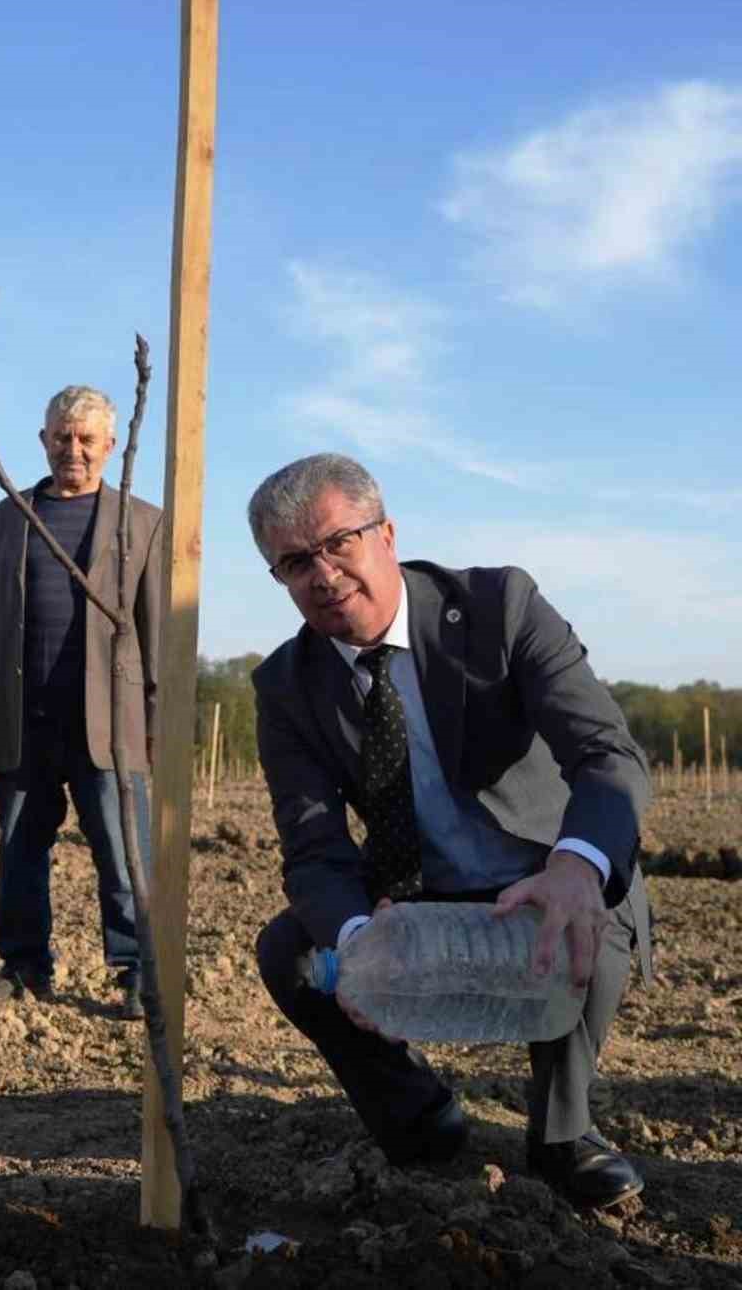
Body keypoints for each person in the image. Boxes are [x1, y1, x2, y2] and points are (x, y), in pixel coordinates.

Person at [246, 452, 651, 1208]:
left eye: (339, 543)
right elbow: (313, 846)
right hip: (414, 887)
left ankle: (565, 1135)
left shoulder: (501, 607)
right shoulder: (287, 685)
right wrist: (359, 939)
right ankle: (421, 1119)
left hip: (535, 870)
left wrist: (576, 866)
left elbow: (608, 756)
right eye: (295, 562)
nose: (323, 574)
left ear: (387, 533)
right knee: (293, 953)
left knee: (597, 912)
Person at [0, 385, 163, 1020]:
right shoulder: (4, 520)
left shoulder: (144, 524)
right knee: (20, 849)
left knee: (125, 854)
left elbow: (155, 630)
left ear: (111, 447)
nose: (72, 450)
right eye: (61, 437)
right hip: (25, 720)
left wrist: (157, 723)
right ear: (44, 440)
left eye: (86, 440)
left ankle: (138, 971)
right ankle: (24, 967)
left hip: (110, 724)